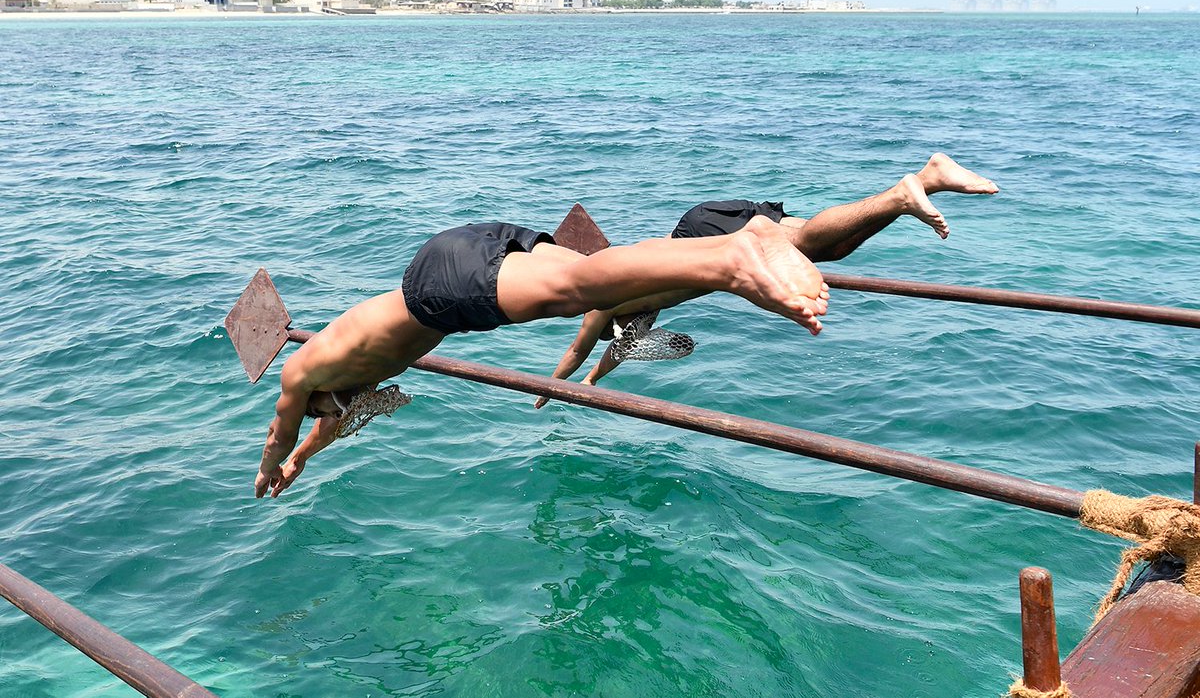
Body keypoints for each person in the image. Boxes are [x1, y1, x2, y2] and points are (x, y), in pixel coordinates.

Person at [255, 218, 830, 498]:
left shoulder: (300, 373)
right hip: (453, 255)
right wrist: (304, 459)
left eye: (327, 409)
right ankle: (749, 239)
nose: (342, 410)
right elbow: (324, 426)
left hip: (437, 293)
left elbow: (279, 431)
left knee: (575, 292)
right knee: (595, 281)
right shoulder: (340, 377)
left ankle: (731, 260)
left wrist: (270, 468)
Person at [534, 153, 998, 407]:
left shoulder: (601, 301)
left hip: (702, 236)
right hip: (703, 223)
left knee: (812, 246)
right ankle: (928, 179)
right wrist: (590, 382)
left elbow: (579, 350)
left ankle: (903, 195)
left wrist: (550, 390)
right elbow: (613, 355)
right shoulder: (632, 305)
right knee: (829, 244)